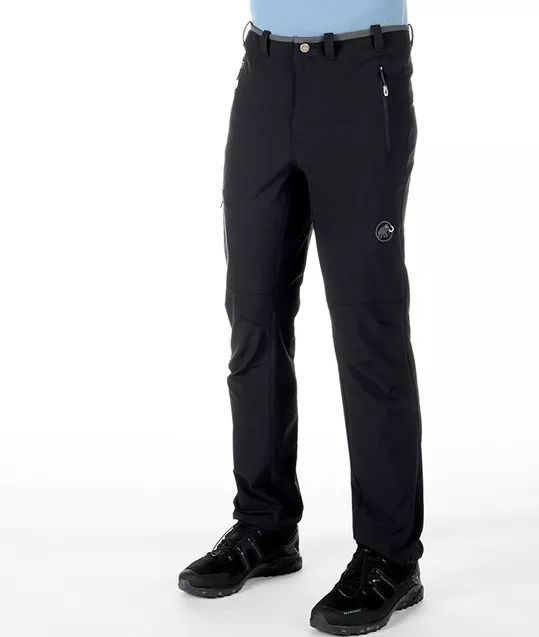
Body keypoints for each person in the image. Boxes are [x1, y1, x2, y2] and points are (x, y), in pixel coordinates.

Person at [179, 1, 424, 633]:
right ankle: (265, 525)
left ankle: (391, 556)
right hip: (265, 74)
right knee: (253, 313)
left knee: (367, 326)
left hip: (362, 76)